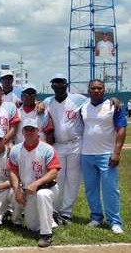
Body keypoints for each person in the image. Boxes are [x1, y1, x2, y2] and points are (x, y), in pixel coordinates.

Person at [80, 79, 126, 234]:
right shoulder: (83, 107)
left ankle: (114, 221)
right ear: (88, 90)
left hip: (106, 154)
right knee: (91, 189)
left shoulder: (114, 106)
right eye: (93, 88)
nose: (97, 90)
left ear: (104, 90)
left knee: (110, 189)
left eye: (100, 88)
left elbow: (121, 129)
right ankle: (96, 217)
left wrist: (117, 152)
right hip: (86, 154)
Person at [41, 73, 87, 224]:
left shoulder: (78, 99)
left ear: (66, 85)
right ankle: (56, 210)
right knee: (58, 179)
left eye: (61, 83)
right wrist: (39, 104)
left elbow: (95, 101)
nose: (58, 85)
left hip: (75, 143)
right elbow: (39, 105)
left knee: (73, 179)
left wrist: (112, 100)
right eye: (55, 83)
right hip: (58, 145)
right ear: (52, 86)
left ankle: (66, 212)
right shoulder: (48, 101)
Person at [8, 119, 60, 248]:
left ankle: (46, 235)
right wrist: (17, 190)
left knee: (42, 195)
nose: (29, 132)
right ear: (23, 132)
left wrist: (37, 183)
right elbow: (13, 172)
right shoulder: (15, 150)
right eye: (27, 129)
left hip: (48, 188)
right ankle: (51, 217)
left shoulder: (47, 149)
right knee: (32, 227)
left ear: (38, 132)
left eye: (33, 129)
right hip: (28, 191)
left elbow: (54, 172)